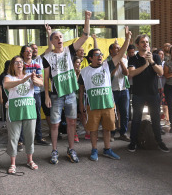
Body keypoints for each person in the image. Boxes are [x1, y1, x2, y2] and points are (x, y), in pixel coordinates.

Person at [43, 10, 91, 164]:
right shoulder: (47, 57)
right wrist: (46, 95)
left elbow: (85, 36)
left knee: (72, 122)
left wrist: (87, 19)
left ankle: (71, 149)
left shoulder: (70, 50)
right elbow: (45, 78)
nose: (59, 39)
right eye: (56, 37)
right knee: (55, 124)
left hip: (70, 93)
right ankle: (54, 151)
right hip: (56, 95)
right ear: (52, 41)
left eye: (61, 37)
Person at [79, 27, 131, 161]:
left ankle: (107, 149)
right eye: (97, 55)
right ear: (91, 58)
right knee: (94, 130)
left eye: (101, 54)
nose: (100, 56)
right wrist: (81, 106)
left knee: (107, 129)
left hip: (108, 103)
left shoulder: (107, 66)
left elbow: (120, 54)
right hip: (93, 105)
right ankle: (94, 150)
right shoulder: (84, 72)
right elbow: (81, 89)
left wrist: (127, 38)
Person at [127, 35, 169, 153]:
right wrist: (145, 65)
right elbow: (131, 73)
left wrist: (151, 62)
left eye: (147, 42)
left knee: (156, 118)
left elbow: (160, 72)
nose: (145, 44)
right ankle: (133, 142)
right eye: (142, 42)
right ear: (137, 45)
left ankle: (159, 142)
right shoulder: (133, 58)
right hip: (138, 94)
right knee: (136, 119)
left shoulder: (155, 56)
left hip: (153, 93)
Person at [3, 56, 43, 174]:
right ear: (12, 65)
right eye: (16, 62)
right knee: (13, 138)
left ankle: (30, 160)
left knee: (30, 136)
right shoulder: (8, 77)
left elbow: (40, 84)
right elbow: (6, 85)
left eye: (21, 62)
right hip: (14, 111)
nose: (19, 64)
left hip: (29, 110)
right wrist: (22, 81)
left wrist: (34, 78)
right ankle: (13, 163)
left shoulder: (30, 75)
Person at [20, 45, 51, 146]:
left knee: (37, 115)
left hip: (35, 93)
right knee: (22, 115)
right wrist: (32, 78)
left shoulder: (37, 65)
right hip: (23, 94)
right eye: (27, 51)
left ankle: (39, 137)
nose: (29, 52)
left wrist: (34, 79)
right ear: (22, 53)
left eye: (30, 51)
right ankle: (20, 140)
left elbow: (41, 81)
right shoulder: (19, 65)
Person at [108, 42, 130, 142]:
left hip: (124, 89)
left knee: (124, 112)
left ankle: (123, 133)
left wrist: (121, 61)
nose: (118, 50)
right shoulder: (107, 61)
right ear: (111, 51)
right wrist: (116, 63)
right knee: (112, 113)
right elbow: (110, 75)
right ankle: (111, 133)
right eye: (116, 48)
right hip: (112, 90)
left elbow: (126, 73)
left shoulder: (125, 60)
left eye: (119, 48)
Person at [153, 49, 169, 129]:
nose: (161, 56)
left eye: (162, 54)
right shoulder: (153, 64)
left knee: (165, 105)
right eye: (159, 54)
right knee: (156, 106)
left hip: (164, 86)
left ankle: (167, 120)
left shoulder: (165, 63)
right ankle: (157, 123)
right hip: (156, 86)